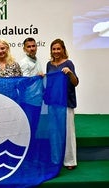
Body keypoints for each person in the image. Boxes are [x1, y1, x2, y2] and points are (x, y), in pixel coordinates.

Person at [46, 38, 79, 170]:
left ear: (63, 49)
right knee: (54, 131)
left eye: (58, 48)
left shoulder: (69, 63)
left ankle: (70, 161)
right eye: (54, 49)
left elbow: (75, 82)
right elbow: (49, 82)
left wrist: (70, 73)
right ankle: (55, 159)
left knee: (68, 132)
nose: (56, 51)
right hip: (53, 103)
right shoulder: (49, 64)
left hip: (66, 103)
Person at [18, 37, 44, 155]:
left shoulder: (37, 60)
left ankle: (31, 152)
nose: (32, 49)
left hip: (37, 100)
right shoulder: (24, 63)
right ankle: (25, 154)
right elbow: (23, 82)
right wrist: (36, 77)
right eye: (29, 47)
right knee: (27, 129)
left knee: (34, 128)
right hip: (28, 101)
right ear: (24, 49)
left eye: (33, 46)